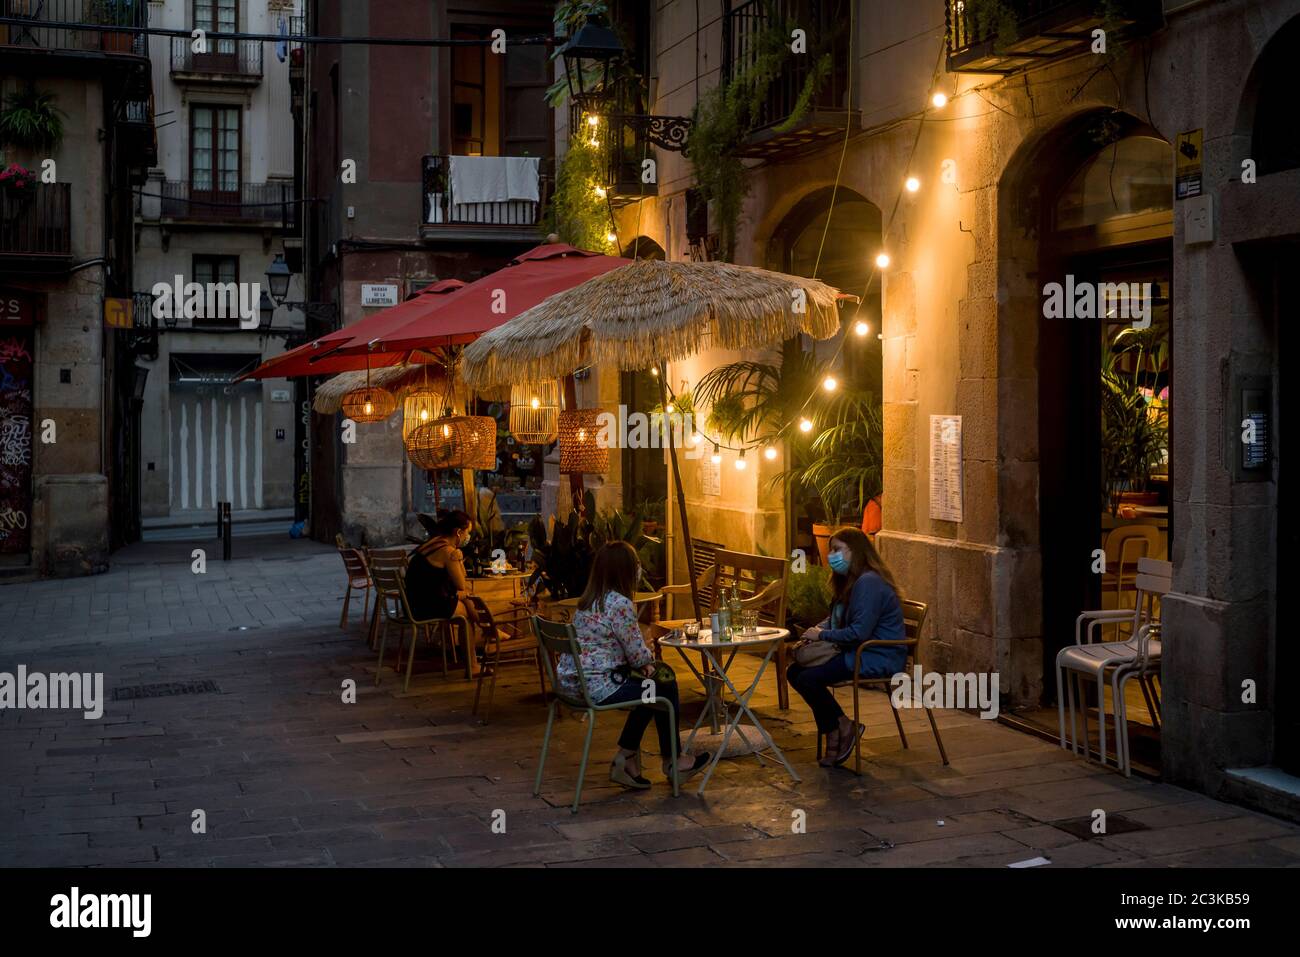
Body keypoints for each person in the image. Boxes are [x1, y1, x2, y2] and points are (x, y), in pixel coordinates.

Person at [557, 541, 711, 789]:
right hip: (598, 686)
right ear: (626, 571)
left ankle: (628, 758)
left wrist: (644, 664)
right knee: (663, 686)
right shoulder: (619, 604)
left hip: (571, 683)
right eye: (636, 564)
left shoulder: (588, 602)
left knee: (653, 688)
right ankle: (672, 761)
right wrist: (647, 658)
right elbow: (638, 655)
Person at [786, 527, 906, 768]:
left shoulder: (869, 583)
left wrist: (823, 635)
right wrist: (815, 634)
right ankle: (840, 724)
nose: (832, 555)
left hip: (874, 653)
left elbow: (858, 632)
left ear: (856, 552)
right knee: (794, 672)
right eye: (831, 549)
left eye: (837, 550)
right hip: (855, 649)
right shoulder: (850, 581)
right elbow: (836, 618)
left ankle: (837, 730)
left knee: (809, 679)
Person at [405, 509, 481, 676]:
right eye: (467, 533)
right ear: (458, 532)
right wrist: (459, 557)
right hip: (426, 605)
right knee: (466, 615)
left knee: (466, 600)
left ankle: (488, 631)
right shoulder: (448, 551)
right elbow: (461, 583)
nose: (468, 537)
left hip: (414, 602)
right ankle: (473, 665)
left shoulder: (434, 542)